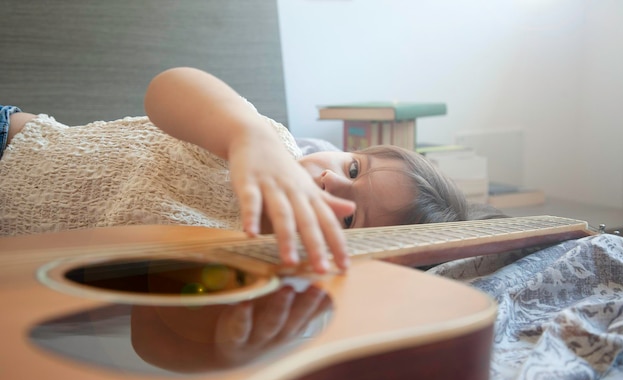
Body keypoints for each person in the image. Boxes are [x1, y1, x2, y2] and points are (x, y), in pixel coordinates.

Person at [0, 67, 467, 273]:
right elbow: (169, 88)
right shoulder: (265, 141)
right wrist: (245, 136)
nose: (331, 180)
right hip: (11, 144)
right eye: (352, 166)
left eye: (347, 217)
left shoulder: (248, 264)